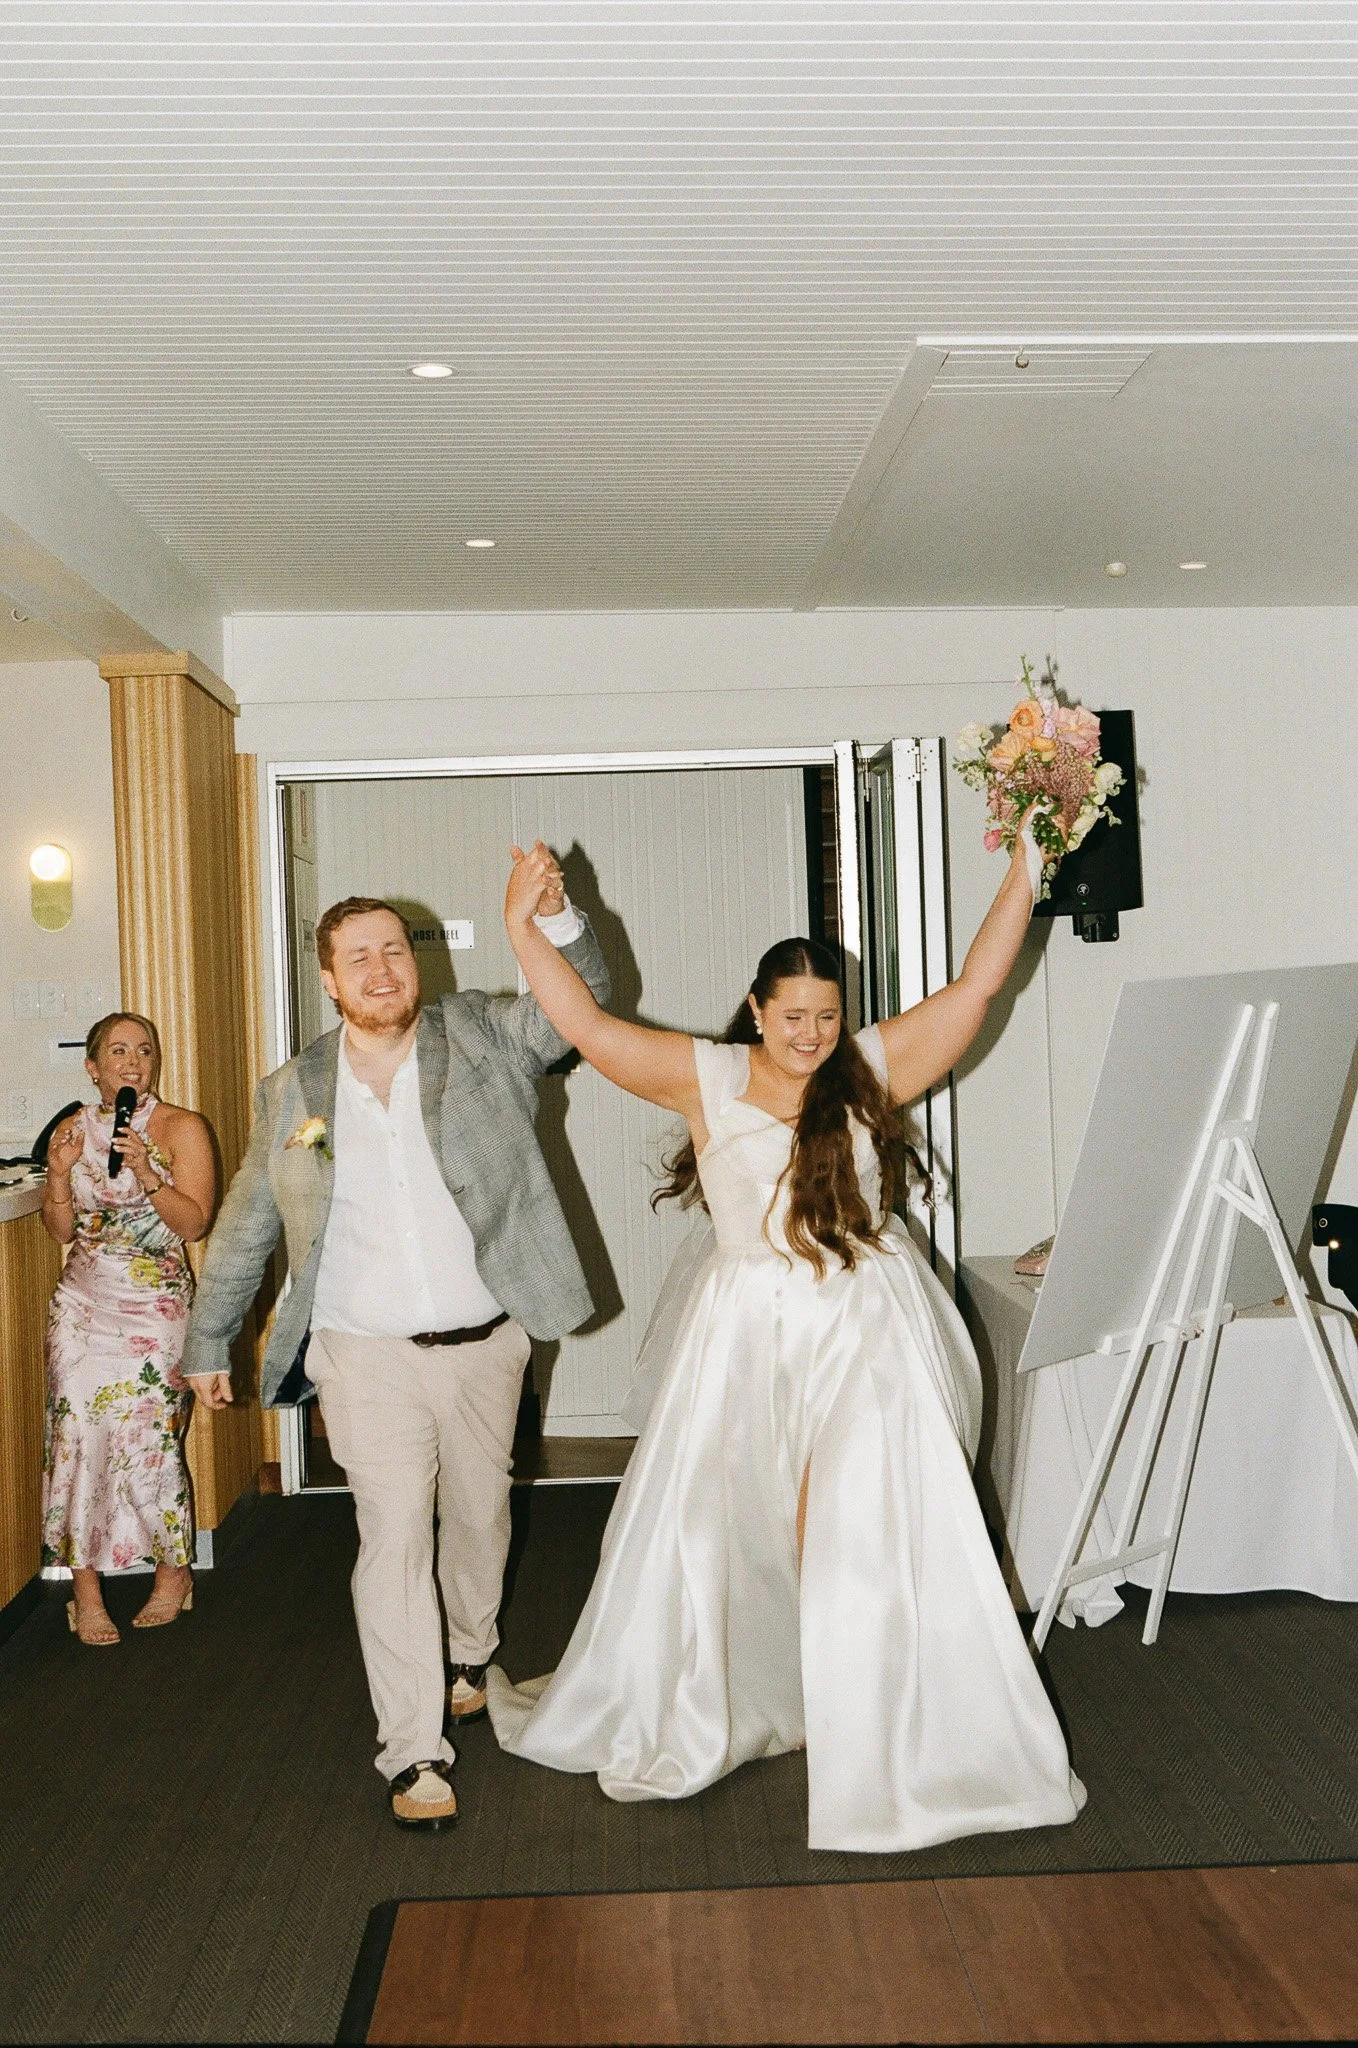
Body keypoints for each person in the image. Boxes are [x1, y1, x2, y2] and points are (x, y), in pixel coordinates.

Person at [487, 837, 1085, 1854]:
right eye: (791, 1014)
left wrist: (1029, 856)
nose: (810, 1034)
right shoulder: (703, 1075)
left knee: (853, 1523)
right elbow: (583, 1024)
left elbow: (978, 985)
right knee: (727, 1530)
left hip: (862, 1327)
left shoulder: (871, 1069)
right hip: (746, 1331)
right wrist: (521, 926)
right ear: (756, 1008)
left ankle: (883, 1728)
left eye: (826, 1015)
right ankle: (769, 1686)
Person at [180, 888, 610, 1832]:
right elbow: (253, 1219)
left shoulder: (487, 1037)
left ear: (416, 964)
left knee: (480, 1516)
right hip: (359, 1350)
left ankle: (469, 1649)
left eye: (394, 951)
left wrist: (556, 920)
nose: (381, 970)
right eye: (358, 958)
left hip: (483, 1344)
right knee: (391, 1536)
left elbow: (582, 1000)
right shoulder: (294, 1091)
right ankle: (414, 1748)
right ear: (330, 981)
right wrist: (209, 1339)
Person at [41, 1013, 216, 1646]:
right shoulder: (71, 1129)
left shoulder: (183, 1128)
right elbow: (61, 1230)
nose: (133, 1062)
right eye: (118, 1052)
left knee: (152, 1440)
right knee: (78, 1439)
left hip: (155, 1306)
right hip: (83, 1305)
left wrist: (148, 1172)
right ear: (94, 1068)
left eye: (144, 1051)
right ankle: (84, 1591)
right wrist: (58, 1174)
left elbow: (193, 1223)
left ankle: (174, 1575)